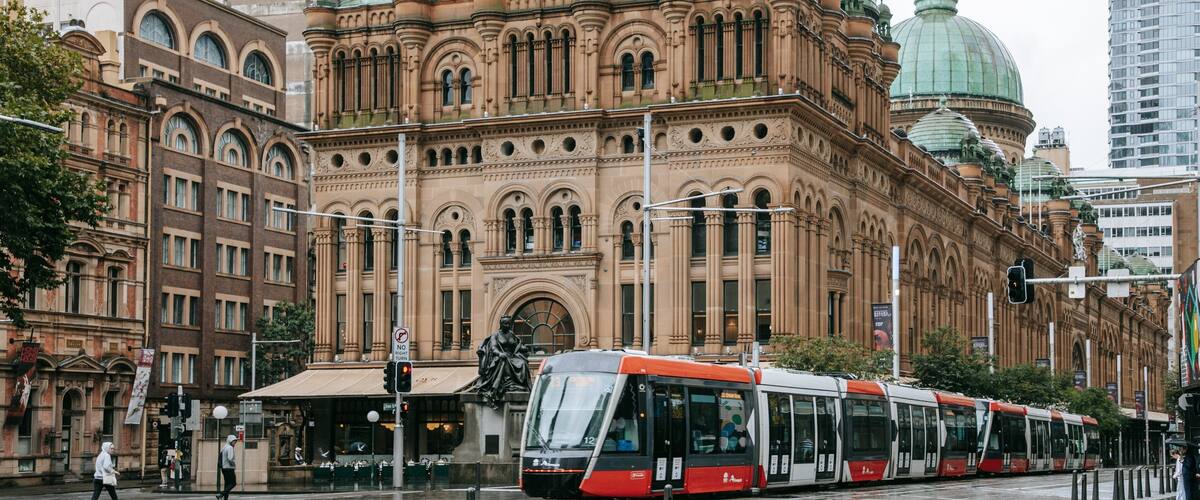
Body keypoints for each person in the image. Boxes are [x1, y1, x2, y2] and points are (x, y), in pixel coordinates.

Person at [218, 435, 237, 500]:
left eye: (235, 441)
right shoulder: (230, 448)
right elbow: (230, 459)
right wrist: (234, 465)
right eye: (234, 441)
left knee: (227, 484)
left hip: (224, 468)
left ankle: (225, 498)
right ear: (230, 441)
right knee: (233, 483)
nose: (235, 443)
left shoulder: (224, 447)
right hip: (229, 468)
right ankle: (221, 494)